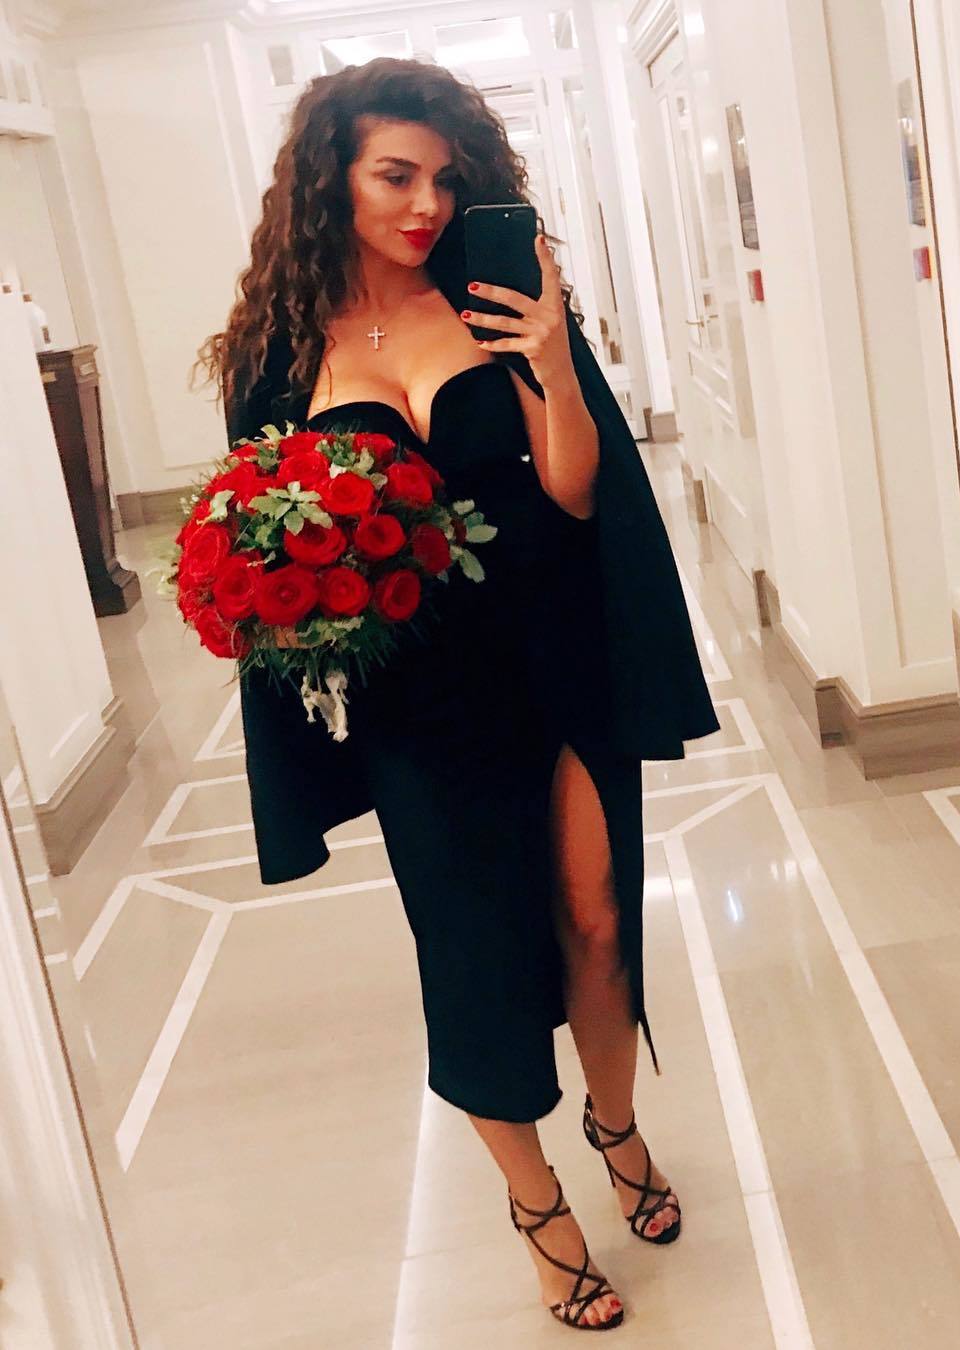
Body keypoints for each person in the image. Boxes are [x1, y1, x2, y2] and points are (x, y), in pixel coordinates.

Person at [193, 57, 719, 1332]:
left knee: (597, 918)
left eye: (444, 177)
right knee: (472, 953)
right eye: (395, 176)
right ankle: (537, 1207)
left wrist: (550, 357)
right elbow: (259, 532)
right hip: (418, 702)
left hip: (554, 654)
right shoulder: (276, 354)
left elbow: (577, 491)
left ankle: (615, 1124)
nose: (426, 203)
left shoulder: (494, 295)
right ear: (332, 179)